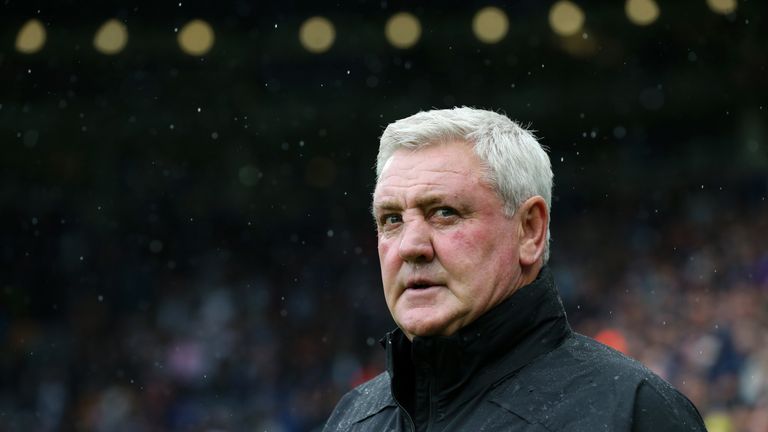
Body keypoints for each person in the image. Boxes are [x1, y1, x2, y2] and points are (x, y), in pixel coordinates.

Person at [322, 107, 706, 431]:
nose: (410, 246)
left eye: (443, 212)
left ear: (529, 230)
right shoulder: (354, 419)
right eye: (391, 219)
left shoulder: (632, 412)